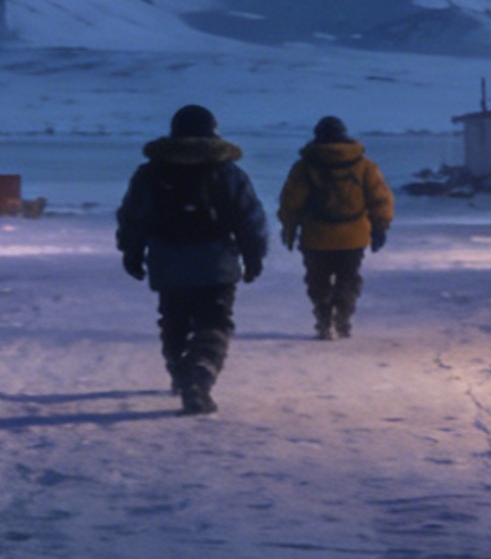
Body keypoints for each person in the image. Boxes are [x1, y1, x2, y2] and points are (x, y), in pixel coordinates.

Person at [116, 103, 270, 415]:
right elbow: (249, 217)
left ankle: (179, 372)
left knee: (173, 320)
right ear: (213, 131)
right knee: (215, 320)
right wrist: (253, 254)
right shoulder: (228, 172)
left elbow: (133, 216)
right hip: (216, 263)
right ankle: (201, 370)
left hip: (168, 261)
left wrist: (131, 252)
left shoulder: (150, 173)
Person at [277, 115, 395, 340]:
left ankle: (323, 317)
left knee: (317, 279)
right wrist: (380, 226)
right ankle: (342, 317)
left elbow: (291, 201)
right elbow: (380, 198)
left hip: (315, 235)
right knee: (348, 277)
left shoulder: (304, 167)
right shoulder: (364, 166)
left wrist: (289, 227)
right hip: (353, 235)